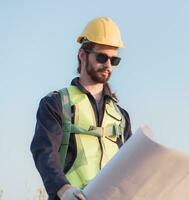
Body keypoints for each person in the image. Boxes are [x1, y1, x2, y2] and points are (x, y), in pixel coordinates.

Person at [30, 17, 132, 200]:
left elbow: (132, 164)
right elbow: (44, 151)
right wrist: (63, 189)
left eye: (114, 60)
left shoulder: (121, 116)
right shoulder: (56, 104)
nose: (108, 65)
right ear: (83, 55)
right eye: (102, 57)